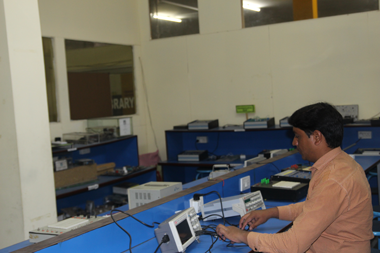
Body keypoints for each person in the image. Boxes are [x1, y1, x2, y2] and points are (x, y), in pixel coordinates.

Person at [216, 102, 373, 252]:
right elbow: (314, 208)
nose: (294, 142)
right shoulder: (341, 163)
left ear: (317, 137)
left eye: (298, 136)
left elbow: (291, 246)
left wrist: (243, 236)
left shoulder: (333, 179)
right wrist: (271, 213)